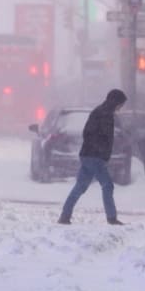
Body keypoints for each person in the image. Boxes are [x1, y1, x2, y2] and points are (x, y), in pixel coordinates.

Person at [58, 88, 127, 226]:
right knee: (107, 185)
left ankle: (65, 216)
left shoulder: (103, 112)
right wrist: (100, 150)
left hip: (90, 155)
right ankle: (111, 218)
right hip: (94, 156)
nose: (121, 107)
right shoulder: (103, 114)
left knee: (80, 186)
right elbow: (89, 133)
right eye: (120, 104)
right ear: (115, 102)